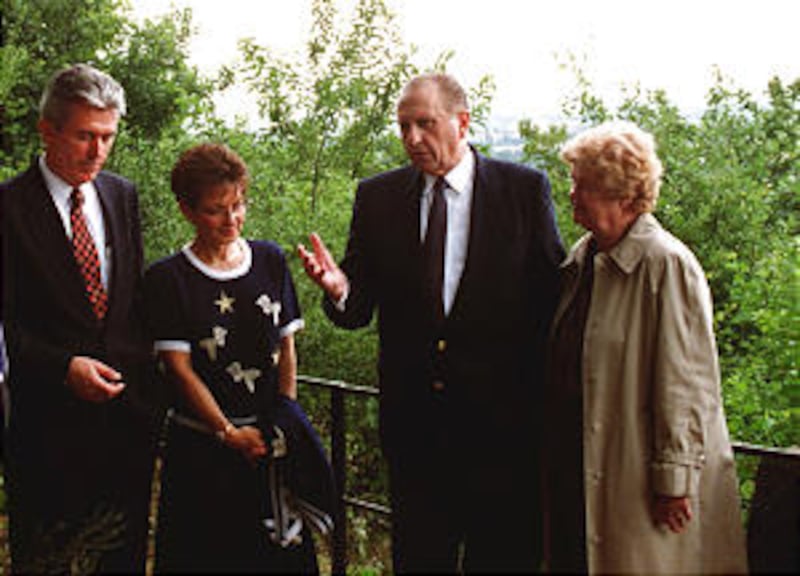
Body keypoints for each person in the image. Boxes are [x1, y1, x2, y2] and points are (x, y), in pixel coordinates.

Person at [298, 73, 565, 572]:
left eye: (425, 124)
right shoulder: (377, 198)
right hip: (416, 437)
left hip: (504, 439)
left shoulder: (523, 191)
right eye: (404, 127)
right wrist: (338, 289)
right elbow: (357, 311)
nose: (412, 139)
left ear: (462, 122)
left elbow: (553, 304)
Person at [544, 121, 748, 574]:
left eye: (583, 186)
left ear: (622, 194)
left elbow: (687, 380)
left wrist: (674, 478)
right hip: (578, 466)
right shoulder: (583, 259)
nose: (572, 195)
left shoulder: (666, 264)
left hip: (635, 476)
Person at [144, 143, 328, 572]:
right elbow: (180, 371)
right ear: (187, 210)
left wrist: (284, 417)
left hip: (268, 444)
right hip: (202, 451)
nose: (231, 219)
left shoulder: (269, 259)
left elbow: (286, 348)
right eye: (215, 210)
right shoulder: (168, 280)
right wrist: (227, 433)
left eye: (238, 204)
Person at [0, 63, 154, 572]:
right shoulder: (8, 208)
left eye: (107, 136)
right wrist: (63, 366)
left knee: (122, 560)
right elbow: (4, 326)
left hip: (125, 427)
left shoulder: (121, 195)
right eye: (85, 135)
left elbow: (133, 305)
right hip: (47, 429)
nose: (97, 151)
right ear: (47, 129)